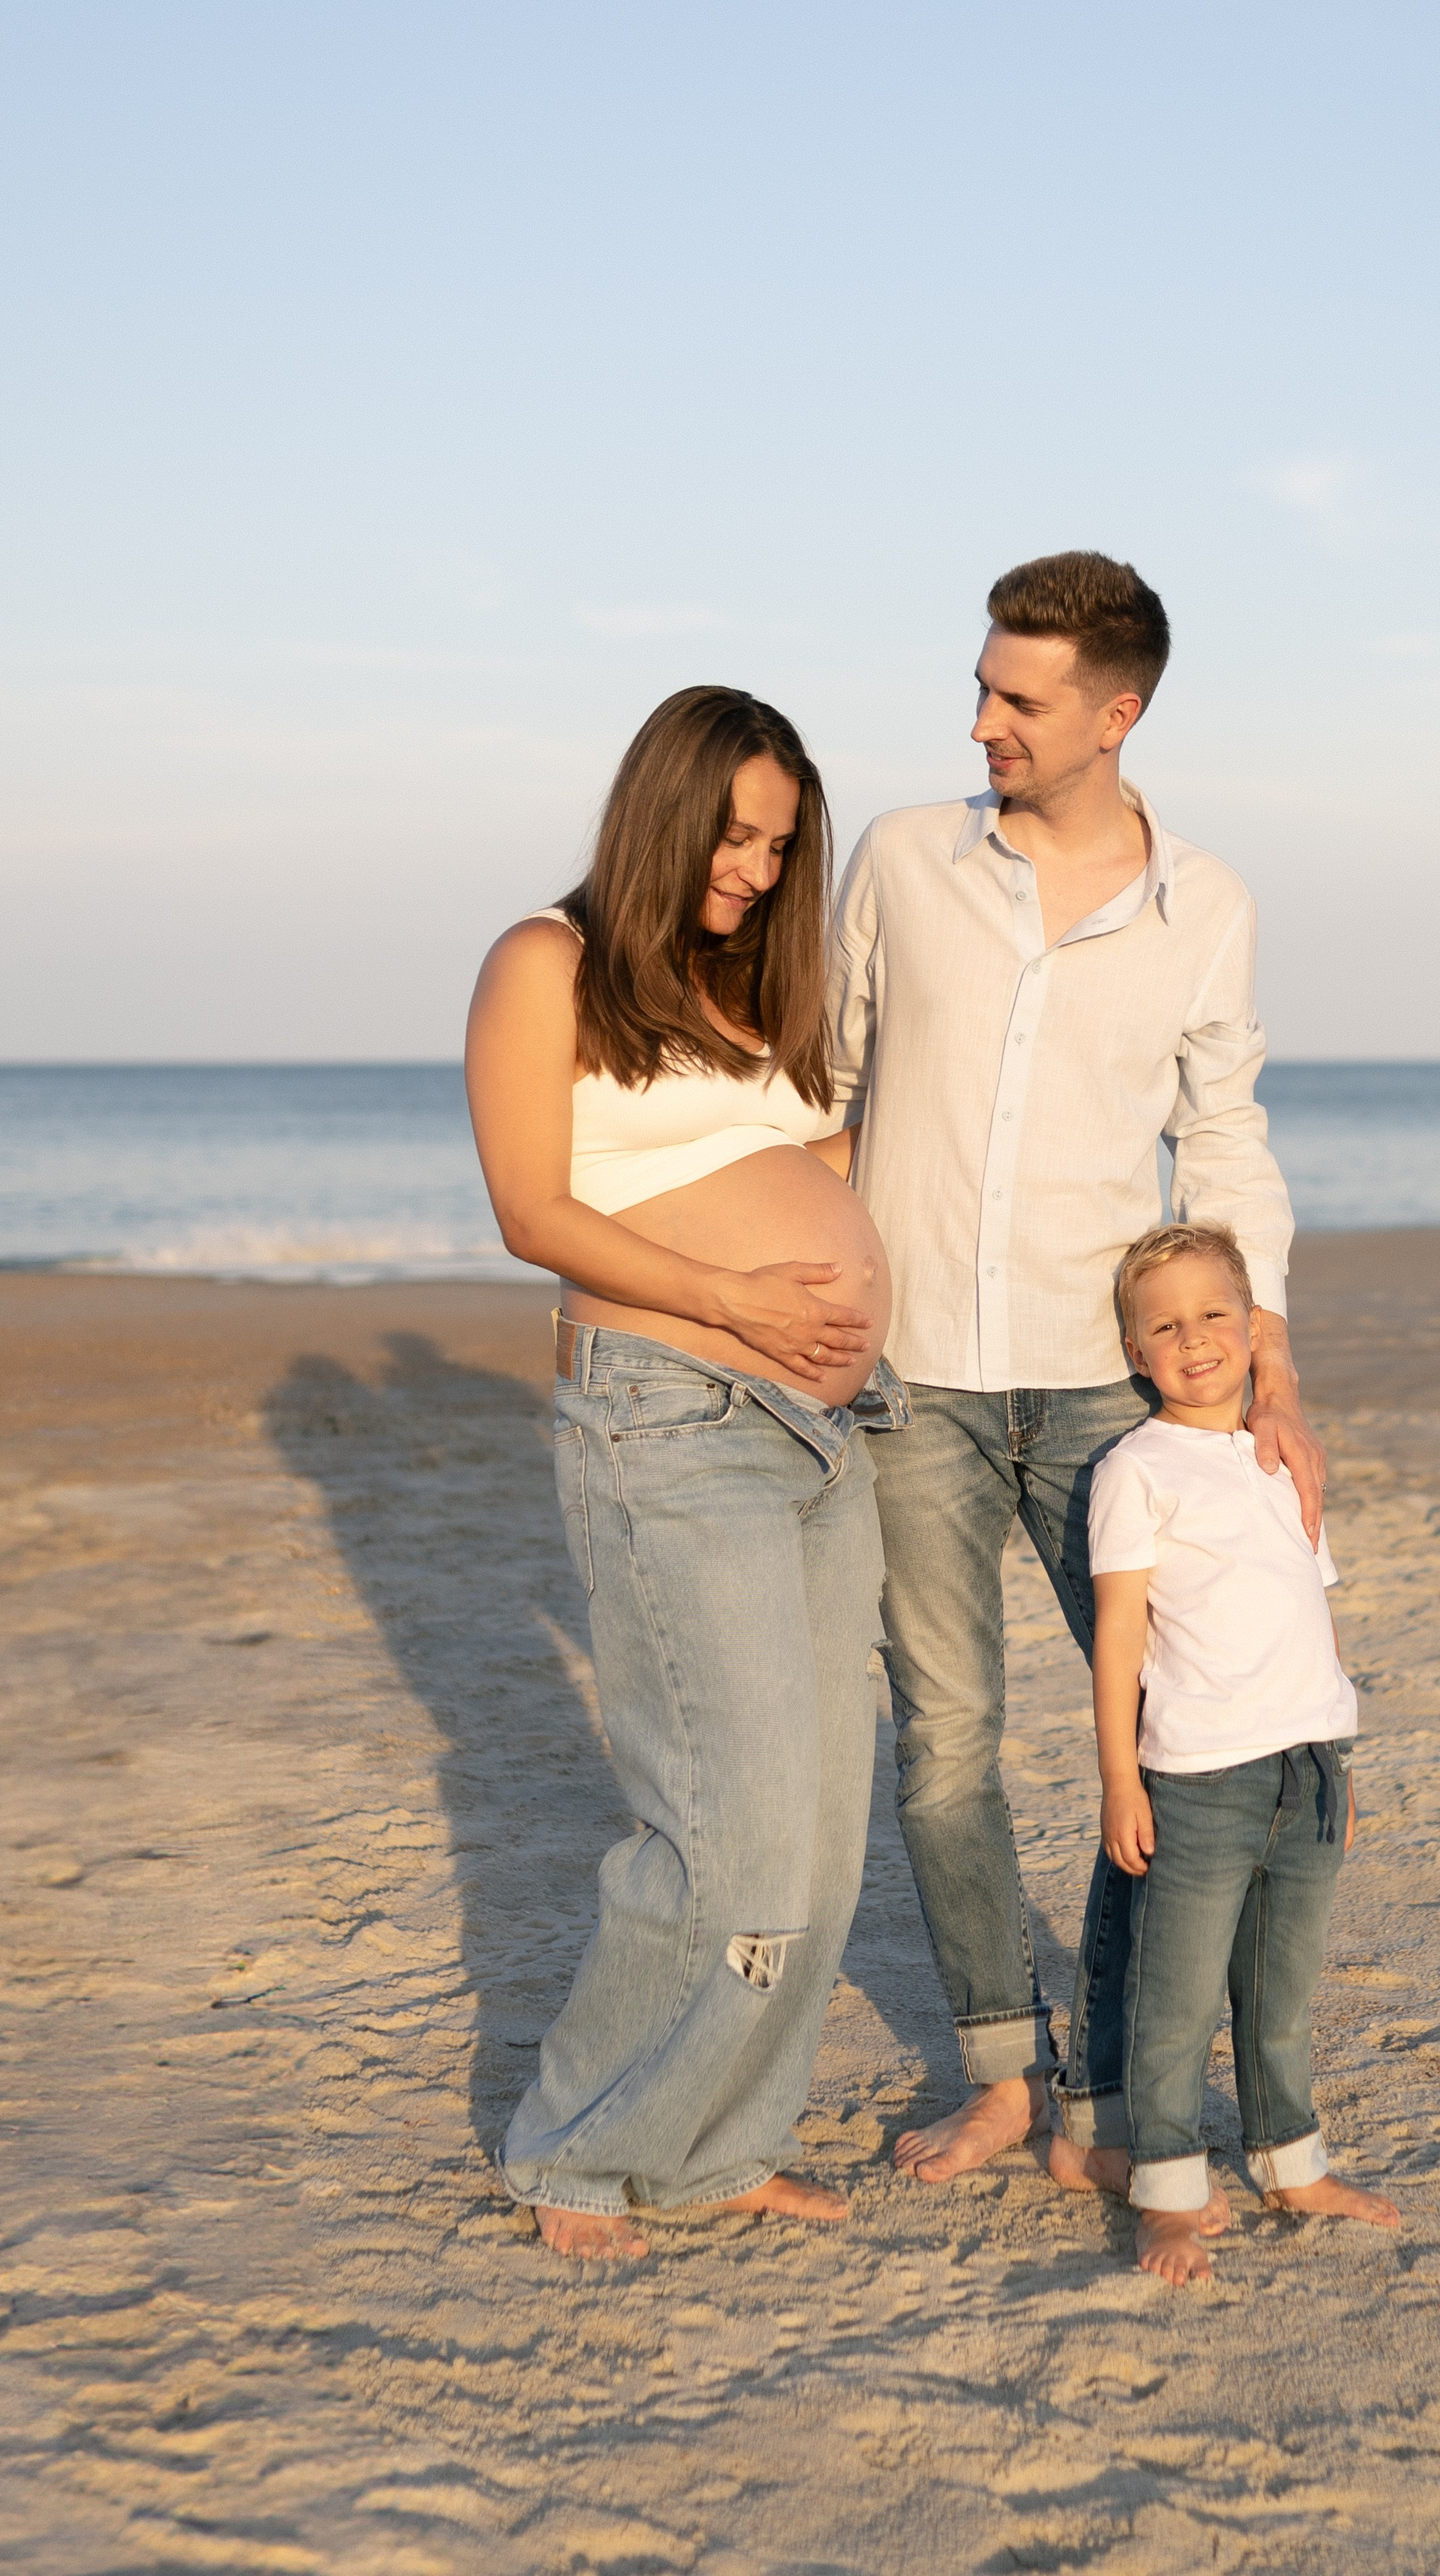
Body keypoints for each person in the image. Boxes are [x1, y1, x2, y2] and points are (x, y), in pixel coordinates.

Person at [828, 550, 1325, 2185]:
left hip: (1107, 1396)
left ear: (1114, 714)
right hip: (910, 1381)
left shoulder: (1209, 907)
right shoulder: (901, 860)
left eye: (1015, 698)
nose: (979, 721)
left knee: (1174, 1730)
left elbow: (1224, 1136)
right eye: (979, 686)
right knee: (947, 1739)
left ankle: (1113, 2089)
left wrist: (1268, 1368)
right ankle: (995, 2063)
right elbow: (824, 1091)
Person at [465, 685, 905, 2261]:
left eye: (781, 847)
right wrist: (737, 1298)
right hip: (667, 1418)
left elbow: (804, 1165)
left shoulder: (757, 992)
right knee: (723, 1826)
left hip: (819, 1439)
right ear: (664, 808)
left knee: (823, 1833)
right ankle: (580, 2152)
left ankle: (719, 2145)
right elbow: (531, 1208)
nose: (755, 868)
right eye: (734, 834)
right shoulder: (549, 965)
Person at [1083, 1220, 1397, 2283]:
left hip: (1306, 1768)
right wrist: (1120, 1778)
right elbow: (1120, 1634)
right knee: (1173, 2001)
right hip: (1201, 1780)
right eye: (1165, 1325)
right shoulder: (1136, 1469)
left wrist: (1338, 1756)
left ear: (1253, 1328)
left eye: (1217, 1313)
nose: (1196, 1338)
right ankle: (1165, 2191)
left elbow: (1316, 1610)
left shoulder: (1284, 1457)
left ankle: (1292, 2164)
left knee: (1281, 1991)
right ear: (1136, 1353)